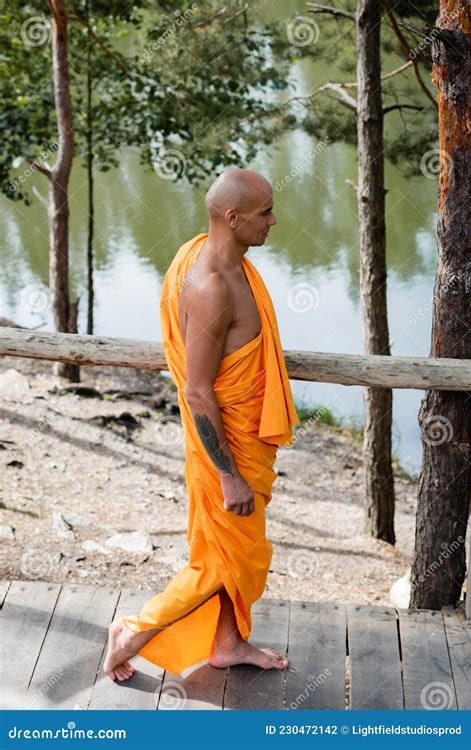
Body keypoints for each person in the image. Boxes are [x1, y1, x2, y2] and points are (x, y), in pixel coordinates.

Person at [103, 168, 299, 682]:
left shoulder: (214, 256)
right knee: (220, 563)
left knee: (234, 555)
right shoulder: (209, 285)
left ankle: (228, 642)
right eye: (265, 212)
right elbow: (196, 389)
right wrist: (229, 474)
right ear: (232, 218)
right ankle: (132, 631)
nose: (273, 221)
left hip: (246, 439)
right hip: (225, 452)